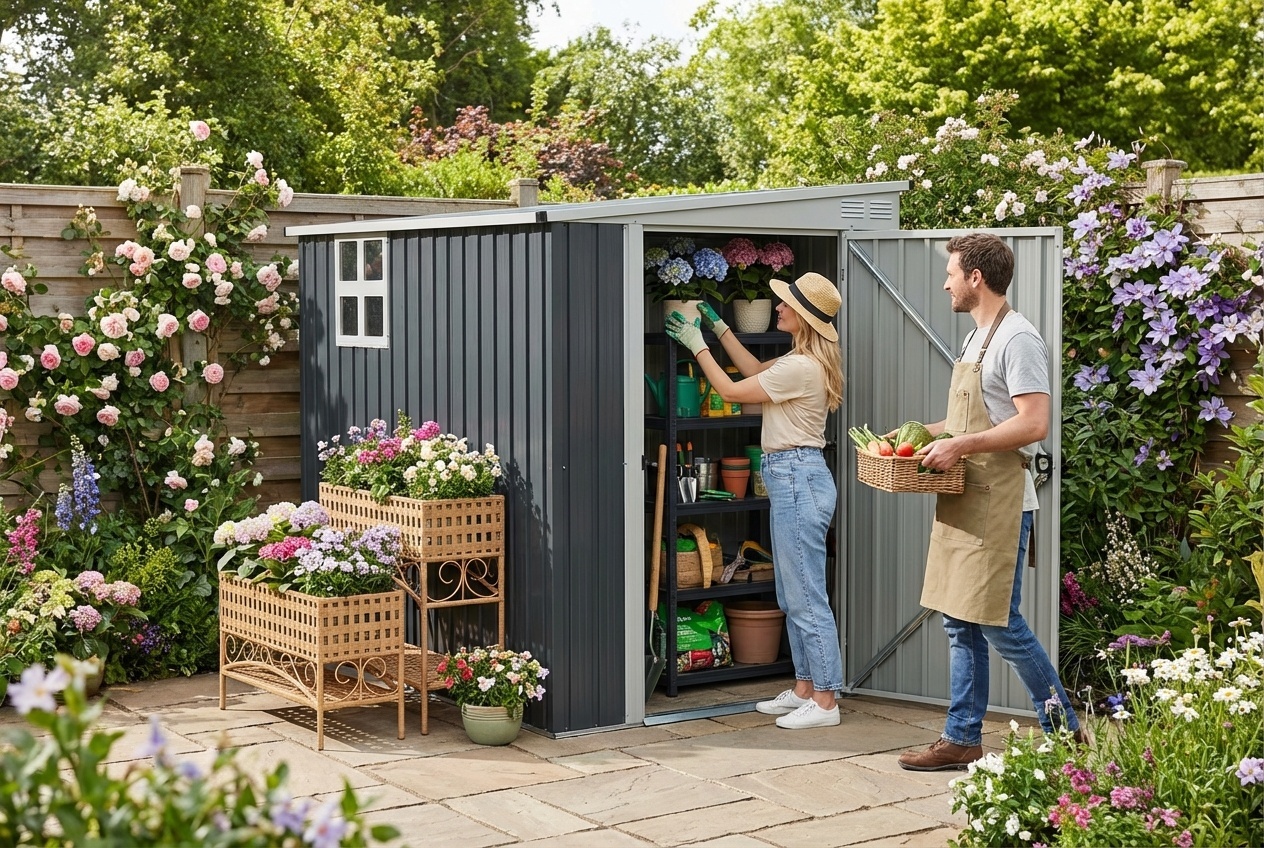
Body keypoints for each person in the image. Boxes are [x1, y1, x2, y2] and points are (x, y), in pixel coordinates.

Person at [897, 233, 1085, 772]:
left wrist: (960, 444)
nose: (946, 282)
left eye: (952, 272)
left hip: (999, 499)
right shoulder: (974, 338)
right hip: (964, 494)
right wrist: (912, 434)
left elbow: (1034, 423)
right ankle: (961, 738)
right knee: (958, 620)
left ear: (976, 277)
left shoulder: (1018, 339)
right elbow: (963, 424)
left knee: (999, 621)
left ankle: (1065, 731)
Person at [665, 272, 845, 730]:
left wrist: (696, 344)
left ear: (802, 316)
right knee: (792, 592)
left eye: (784, 303)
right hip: (794, 478)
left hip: (797, 478)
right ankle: (805, 688)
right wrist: (718, 327)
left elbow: (730, 390)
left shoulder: (801, 368)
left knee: (807, 596)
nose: (778, 307)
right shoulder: (797, 361)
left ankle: (825, 703)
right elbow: (752, 373)